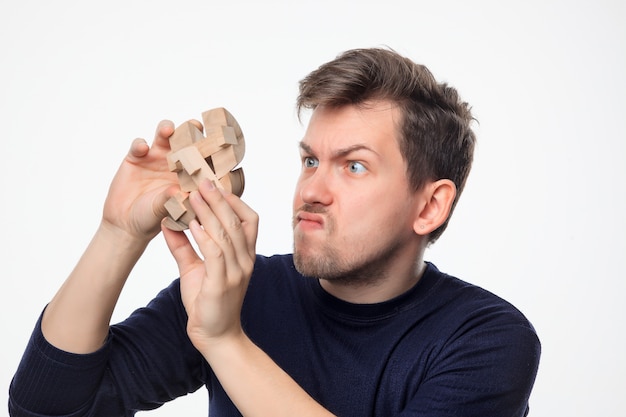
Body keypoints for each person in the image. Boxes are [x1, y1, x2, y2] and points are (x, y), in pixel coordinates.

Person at [9, 47, 540, 417]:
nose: (311, 190)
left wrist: (223, 342)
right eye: (310, 160)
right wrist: (117, 232)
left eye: (353, 166)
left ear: (430, 205)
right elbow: (45, 407)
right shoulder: (239, 290)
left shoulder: (488, 339)